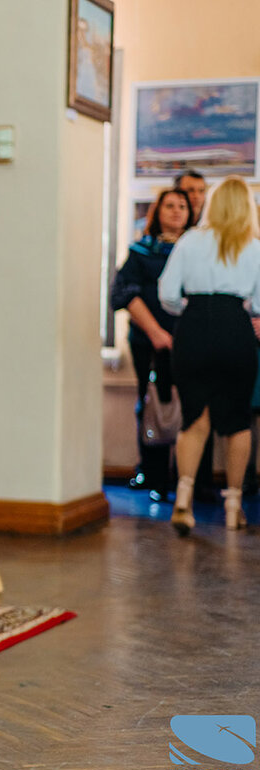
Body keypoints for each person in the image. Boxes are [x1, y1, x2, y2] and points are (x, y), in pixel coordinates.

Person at [158, 176, 260, 535]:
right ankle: (234, 507)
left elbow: (167, 294)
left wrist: (191, 307)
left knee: (194, 419)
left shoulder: (190, 241)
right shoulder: (253, 246)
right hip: (235, 329)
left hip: (195, 327)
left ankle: (183, 500)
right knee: (237, 421)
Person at [110, 188, 193, 501]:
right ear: (158, 211)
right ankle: (155, 477)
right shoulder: (141, 251)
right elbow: (124, 294)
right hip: (149, 342)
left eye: (182, 206)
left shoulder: (197, 250)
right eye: (169, 206)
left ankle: (188, 480)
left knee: (192, 410)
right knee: (152, 405)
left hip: (189, 343)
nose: (175, 212)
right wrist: (157, 332)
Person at [173, 170, 215, 499]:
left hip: (200, 330)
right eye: (190, 191)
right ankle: (172, 481)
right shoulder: (181, 241)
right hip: (175, 334)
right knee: (183, 414)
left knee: (208, 414)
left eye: (202, 191)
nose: (196, 197)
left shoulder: (215, 239)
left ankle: (197, 486)